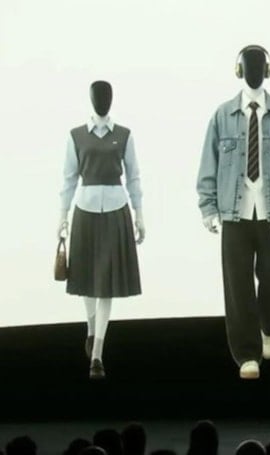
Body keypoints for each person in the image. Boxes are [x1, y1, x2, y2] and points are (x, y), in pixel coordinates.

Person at [197, 45, 270, 379]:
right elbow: (208, 165)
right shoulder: (222, 116)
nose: (254, 71)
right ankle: (247, 355)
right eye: (248, 65)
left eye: (259, 65)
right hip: (234, 215)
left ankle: (267, 322)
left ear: (268, 70)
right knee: (238, 287)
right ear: (239, 70)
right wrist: (208, 208)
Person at [59, 80, 145, 379]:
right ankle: (91, 328)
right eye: (98, 97)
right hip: (85, 210)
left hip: (115, 211)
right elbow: (69, 178)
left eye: (107, 97)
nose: (102, 101)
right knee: (86, 278)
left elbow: (133, 177)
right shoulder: (76, 135)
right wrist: (62, 216)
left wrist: (139, 214)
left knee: (106, 283)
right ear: (91, 99)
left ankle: (97, 353)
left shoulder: (124, 135)